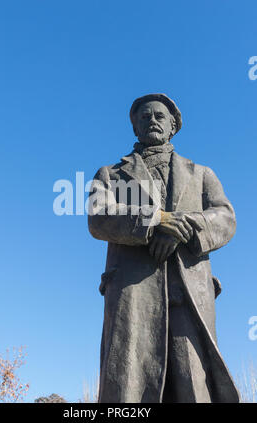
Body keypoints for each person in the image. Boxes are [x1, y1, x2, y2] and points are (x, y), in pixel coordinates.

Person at [88, 93, 239, 403]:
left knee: (193, 381)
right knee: (129, 384)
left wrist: (181, 229)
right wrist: (155, 220)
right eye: (144, 117)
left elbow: (225, 217)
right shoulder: (110, 175)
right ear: (134, 128)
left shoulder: (201, 174)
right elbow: (98, 217)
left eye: (159, 116)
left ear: (173, 126)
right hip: (133, 292)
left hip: (189, 292)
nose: (152, 120)